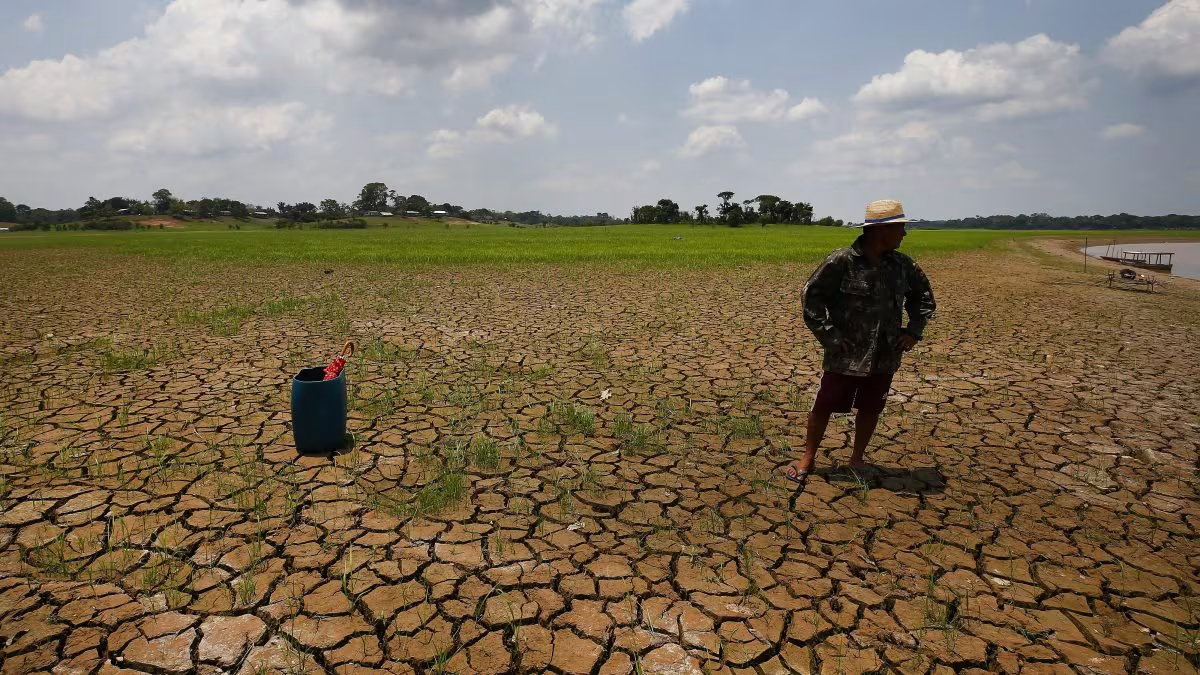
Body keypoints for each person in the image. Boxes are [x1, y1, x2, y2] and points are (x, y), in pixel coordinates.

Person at [782, 199, 936, 483]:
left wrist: (913, 331)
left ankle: (856, 459)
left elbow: (923, 298)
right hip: (846, 352)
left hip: (884, 354)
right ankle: (808, 458)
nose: (904, 234)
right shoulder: (841, 261)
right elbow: (812, 297)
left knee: (871, 407)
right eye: (900, 228)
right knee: (824, 404)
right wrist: (829, 336)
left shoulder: (902, 265)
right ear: (880, 231)